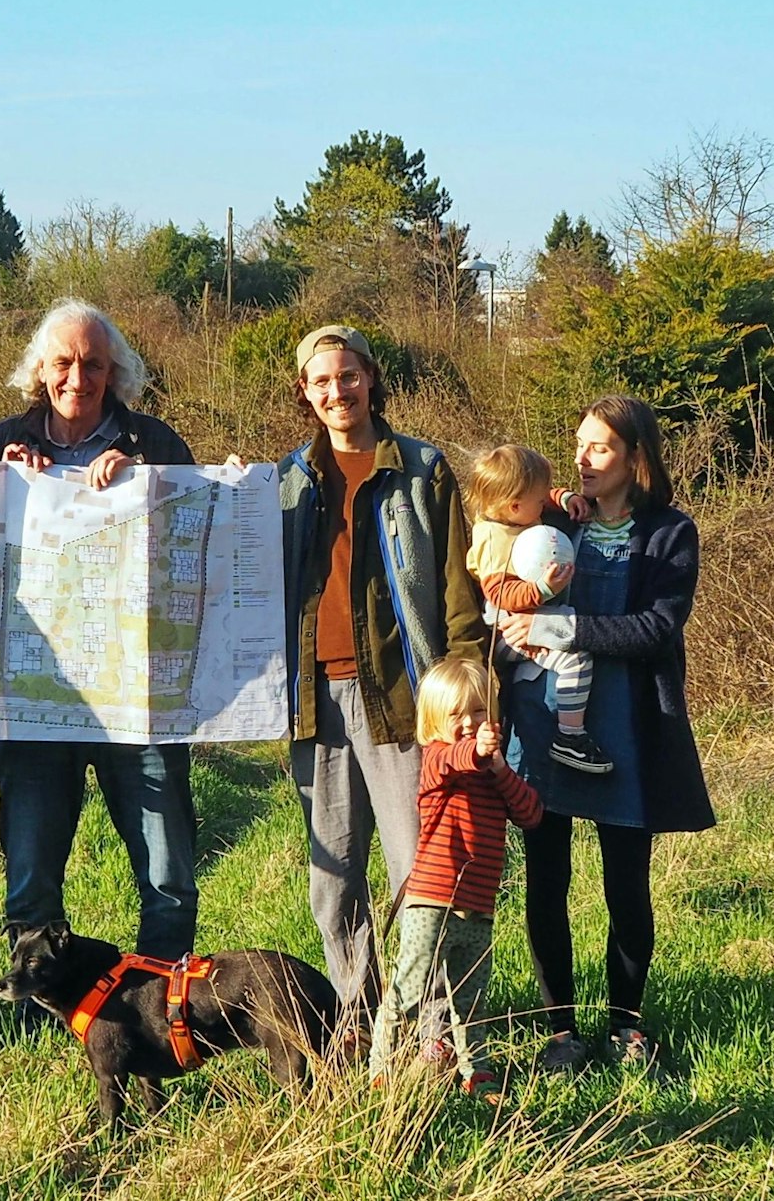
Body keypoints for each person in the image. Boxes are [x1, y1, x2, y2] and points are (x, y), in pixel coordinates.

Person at [0, 298, 201, 961]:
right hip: (35, 701)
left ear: (114, 371)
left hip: (136, 701)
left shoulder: (154, 444)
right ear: (40, 369)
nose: (79, 377)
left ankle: (161, 1002)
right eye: (64, 362)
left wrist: (145, 487)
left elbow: (196, 544)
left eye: (94, 364)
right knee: (31, 874)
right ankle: (39, 1004)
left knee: (167, 873)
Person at [278, 325, 487, 1033]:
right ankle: (362, 1021)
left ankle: (433, 1030)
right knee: (332, 887)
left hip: (402, 703)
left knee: (419, 878)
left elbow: (460, 594)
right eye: (321, 381)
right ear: (305, 392)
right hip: (315, 706)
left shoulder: (422, 470)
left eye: (349, 376)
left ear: (370, 377)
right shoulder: (283, 482)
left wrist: (470, 692)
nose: (337, 391)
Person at [497, 395, 715, 1072]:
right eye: (579, 444)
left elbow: (656, 628)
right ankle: (560, 1028)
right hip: (542, 731)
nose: (582, 459)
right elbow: (497, 560)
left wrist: (558, 629)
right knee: (546, 880)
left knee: (627, 885)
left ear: (634, 458)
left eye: (599, 448)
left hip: (627, 734)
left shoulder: (670, 533)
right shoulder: (559, 520)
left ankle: (627, 1026)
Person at [369, 657, 541, 1098]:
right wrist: (479, 751)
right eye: (456, 715)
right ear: (434, 722)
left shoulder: (493, 776)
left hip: (478, 908)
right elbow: (453, 759)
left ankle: (476, 1072)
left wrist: (500, 768)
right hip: (433, 900)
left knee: (469, 1000)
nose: (469, 722)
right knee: (408, 989)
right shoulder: (436, 761)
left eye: (479, 712)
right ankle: (381, 1066)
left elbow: (530, 813)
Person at [465, 444, 613, 774]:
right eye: (539, 499)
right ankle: (570, 737)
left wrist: (565, 499)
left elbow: (544, 496)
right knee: (576, 660)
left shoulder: (513, 509)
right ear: (515, 505)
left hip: (527, 619)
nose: (544, 502)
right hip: (508, 629)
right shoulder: (493, 539)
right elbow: (500, 592)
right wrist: (543, 589)